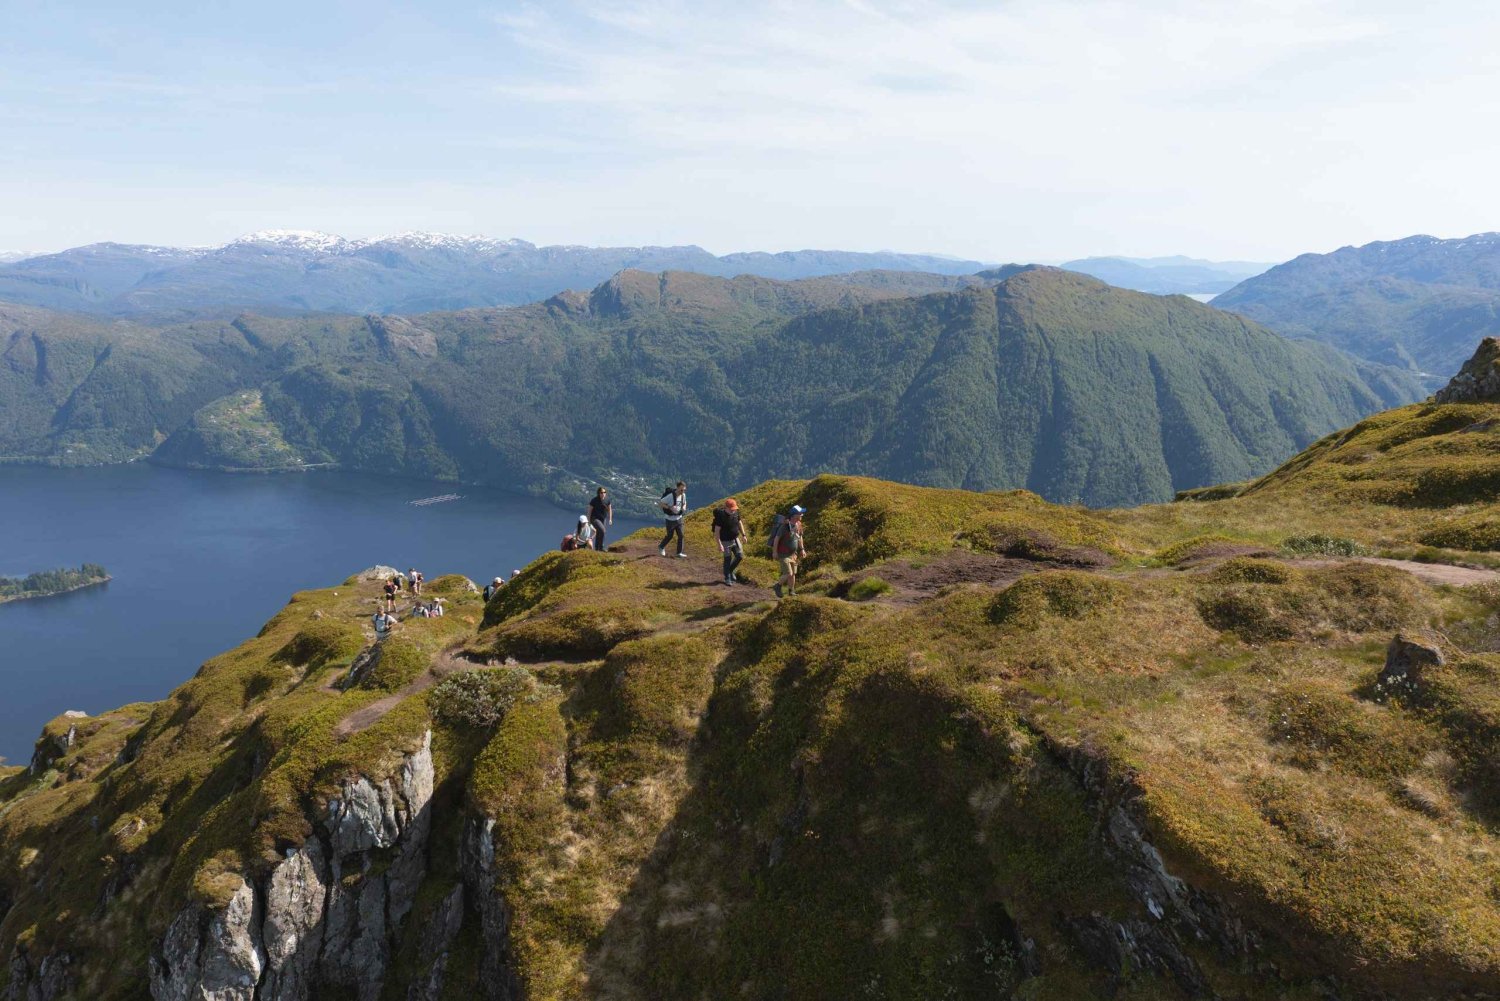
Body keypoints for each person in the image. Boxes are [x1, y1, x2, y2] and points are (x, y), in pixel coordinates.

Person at [772, 505, 808, 599]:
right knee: (788, 573)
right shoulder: (784, 526)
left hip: (793, 554)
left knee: (793, 574)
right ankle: (777, 586)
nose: (802, 515)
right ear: (794, 515)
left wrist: (802, 549)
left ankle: (791, 591)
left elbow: (800, 537)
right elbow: (777, 539)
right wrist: (775, 552)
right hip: (783, 554)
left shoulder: (799, 524)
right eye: (800, 513)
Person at [712, 497, 747, 586]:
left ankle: (730, 571)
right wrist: (719, 544)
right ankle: (727, 577)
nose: (733, 511)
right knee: (727, 559)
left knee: (739, 556)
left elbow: (740, 523)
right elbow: (717, 531)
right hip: (725, 541)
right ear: (726, 508)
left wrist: (743, 535)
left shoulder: (735, 513)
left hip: (735, 538)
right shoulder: (721, 517)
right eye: (731, 509)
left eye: (734, 509)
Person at [659, 481, 688, 558]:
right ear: (677, 488)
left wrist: (684, 508)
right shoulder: (670, 496)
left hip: (679, 518)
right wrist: (669, 507)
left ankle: (679, 553)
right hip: (670, 519)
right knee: (670, 536)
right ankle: (661, 547)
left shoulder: (683, 495)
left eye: (684, 490)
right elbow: (661, 503)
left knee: (681, 535)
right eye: (681, 490)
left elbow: (684, 503)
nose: (683, 491)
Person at [588, 487, 613, 552]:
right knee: (603, 531)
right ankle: (601, 548)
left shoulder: (607, 500)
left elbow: (610, 509)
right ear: (598, 493)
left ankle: (597, 549)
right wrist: (588, 521)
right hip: (594, 518)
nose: (603, 494)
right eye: (601, 492)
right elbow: (589, 511)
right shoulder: (594, 500)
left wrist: (610, 519)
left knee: (600, 533)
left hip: (603, 519)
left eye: (604, 492)